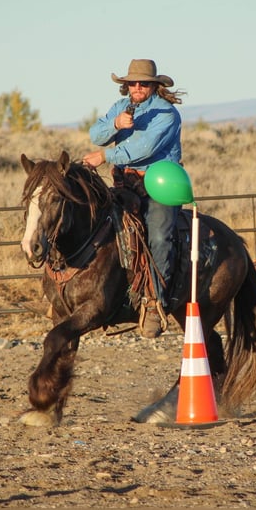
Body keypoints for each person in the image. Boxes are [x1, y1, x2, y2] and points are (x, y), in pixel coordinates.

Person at [83, 59, 184, 338]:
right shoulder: (120, 108)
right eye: (133, 83)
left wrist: (105, 156)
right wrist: (115, 124)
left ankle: (155, 303)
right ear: (126, 85)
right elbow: (96, 134)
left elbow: (143, 148)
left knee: (160, 235)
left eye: (144, 83)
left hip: (160, 183)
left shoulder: (166, 114)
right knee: (98, 225)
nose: (137, 87)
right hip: (125, 181)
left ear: (154, 86)